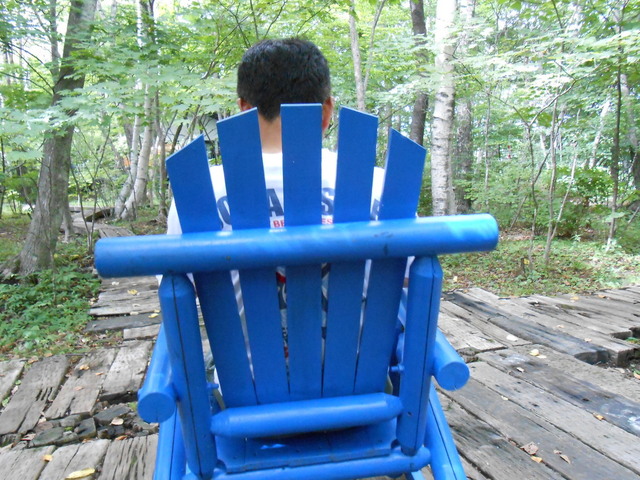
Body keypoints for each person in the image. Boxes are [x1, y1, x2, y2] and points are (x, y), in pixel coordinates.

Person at [167, 37, 383, 234]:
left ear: (245, 110)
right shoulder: (379, 187)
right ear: (326, 112)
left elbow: (178, 266)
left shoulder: (197, 194)